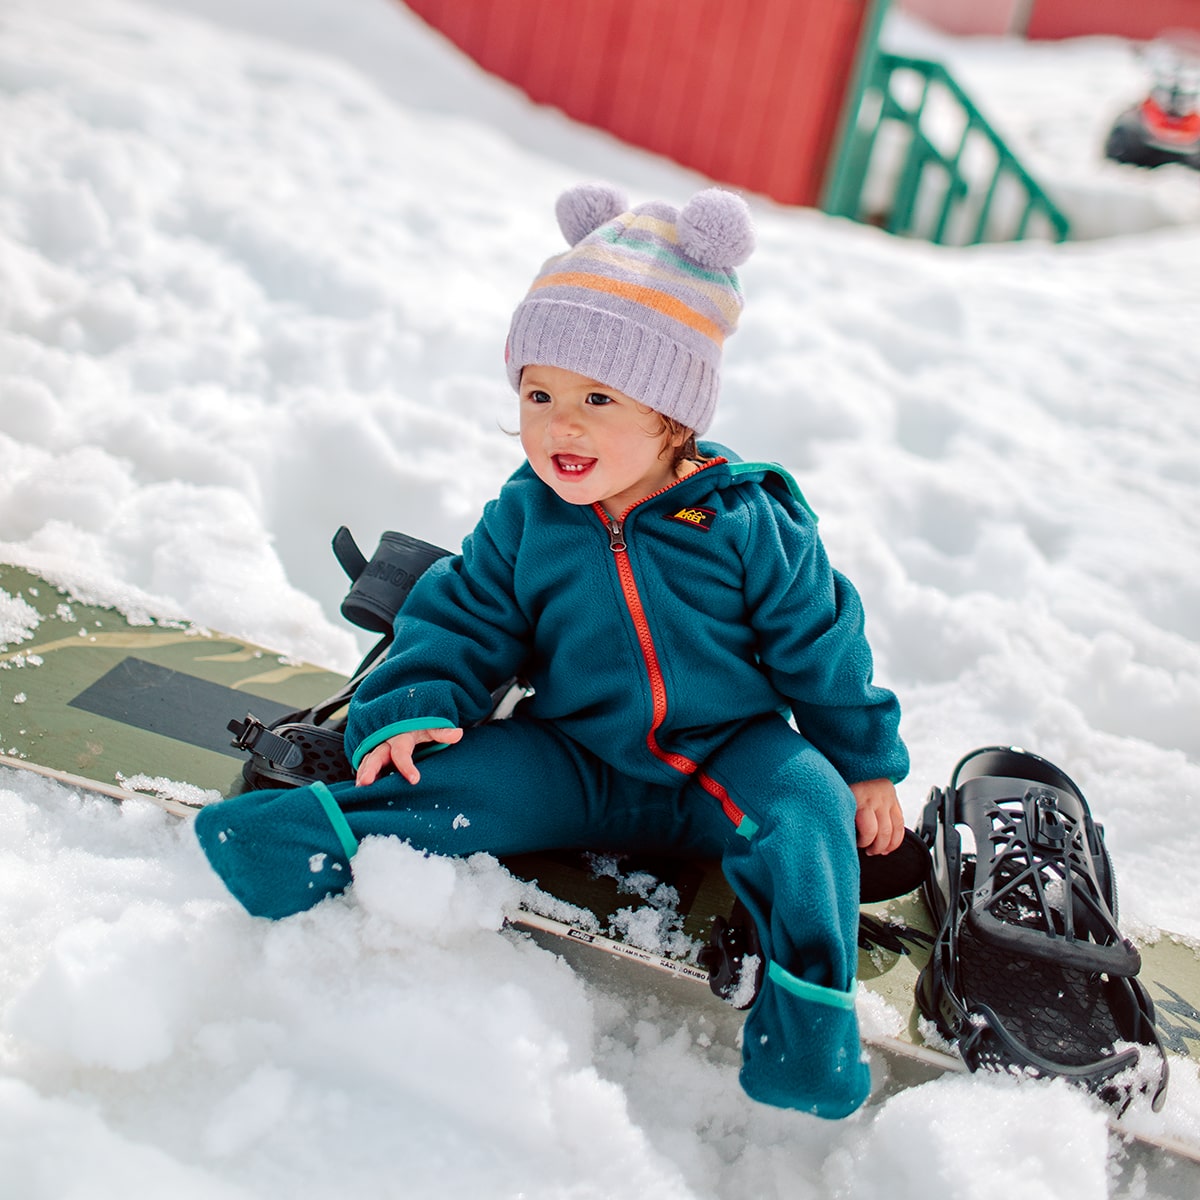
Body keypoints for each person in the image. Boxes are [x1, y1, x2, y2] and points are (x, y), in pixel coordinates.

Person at [195, 183, 909, 1119]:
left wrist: (863, 763)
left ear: (671, 413)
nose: (560, 424)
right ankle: (297, 844)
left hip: (722, 761)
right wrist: (413, 702)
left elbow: (821, 642)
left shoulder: (745, 520)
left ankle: (807, 1026)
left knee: (808, 809)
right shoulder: (527, 515)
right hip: (574, 754)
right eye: (539, 394)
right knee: (459, 781)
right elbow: (463, 615)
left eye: (597, 398)